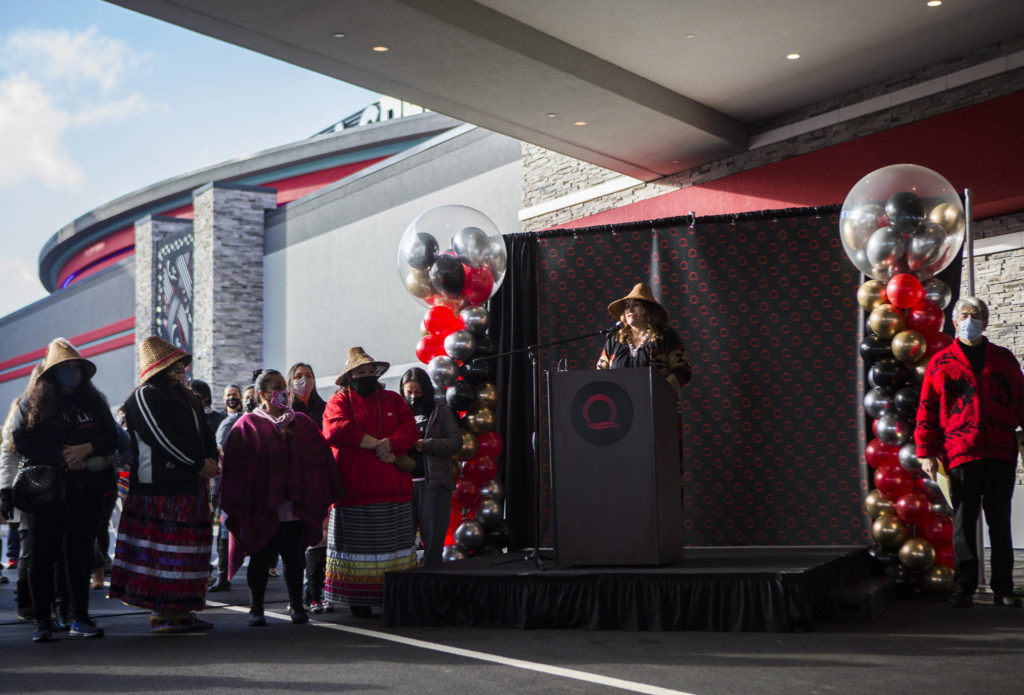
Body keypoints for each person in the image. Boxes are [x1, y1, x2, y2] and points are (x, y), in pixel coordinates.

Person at [916, 296, 1024, 608]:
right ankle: (963, 586)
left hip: (1000, 452)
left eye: (975, 315)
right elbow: (927, 411)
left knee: (1000, 520)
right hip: (960, 451)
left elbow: (1020, 400)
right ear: (954, 321)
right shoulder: (941, 362)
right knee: (964, 520)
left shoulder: (1004, 359)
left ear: (986, 321)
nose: (969, 319)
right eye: (964, 314)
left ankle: (1003, 587)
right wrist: (926, 451)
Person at [108, 336, 220, 633]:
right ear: (160, 369)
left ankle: (183, 610)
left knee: (188, 551)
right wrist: (198, 465)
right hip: (158, 488)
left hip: (190, 486)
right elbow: (162, 437)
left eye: (181, 366)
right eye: (174, 366)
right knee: (164, 552)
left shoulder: (190, 398)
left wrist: (211, 461)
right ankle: (162, 612)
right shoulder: (142, 397)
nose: (180, 371)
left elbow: (204, 434)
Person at [10, 339, 119, 642]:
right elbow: (21, 440)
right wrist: (62, 455)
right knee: (42, 556)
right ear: (51, 373)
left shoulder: (94, 403)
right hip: (44, 494)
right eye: (65, 368)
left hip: (87, 492)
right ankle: (43, 621)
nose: (72, 372)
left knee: (79, 556)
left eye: (76, 367)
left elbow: (112, 438)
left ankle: (78, 617)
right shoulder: (30, 404)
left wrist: (87, 447)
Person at [221, 369, 340, 626]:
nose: (282, 392)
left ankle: (297, 606)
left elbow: (319, 459)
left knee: (294, 557)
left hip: (294, 506)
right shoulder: (247, 426)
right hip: (262, 505)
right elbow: (236, 467)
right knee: (261, 556)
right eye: (276, 387)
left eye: (283, 387)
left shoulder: (302, 422)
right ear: (262, 394)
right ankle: (256, 608)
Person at [323, 347, 419, 617]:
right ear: (349, 376)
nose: (366, 375)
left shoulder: (392, 399)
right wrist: (378, 445)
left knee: (395, 549)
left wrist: (391, 443)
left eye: (369, 371)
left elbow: (410, 429)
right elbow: (336, 429)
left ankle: (396, 597)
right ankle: (359, 602)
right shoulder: (338, 401)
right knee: (358, 552)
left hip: (393, 489)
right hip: (355, 490)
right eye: (360, 371)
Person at [398, 367, 461, 566]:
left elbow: (455, 442)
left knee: (433, 540)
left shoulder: (440, 409)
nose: (413, 397)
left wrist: (426, 444)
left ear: (426, 389)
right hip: (404, 484)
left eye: (418, 392)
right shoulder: (398, 412)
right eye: (409, 393)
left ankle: (432, 580)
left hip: (433, 483)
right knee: (402, 540)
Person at [596, 282, 692, 388]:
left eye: (636, 304)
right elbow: (600, 374)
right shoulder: (615, 339)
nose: (630, 309)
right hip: (620, 402)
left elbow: (684, 370)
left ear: (648, 309)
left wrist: (660, 389)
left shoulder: (665, 336)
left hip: (656, 402)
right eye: (627, 305)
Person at [209, 383, 244, 592]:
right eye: (229, 395)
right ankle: (223, 577)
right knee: (224, 528)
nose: (234, 398)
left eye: (236, 395)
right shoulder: (224, 422)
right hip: (226, 483)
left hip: (251, 483)